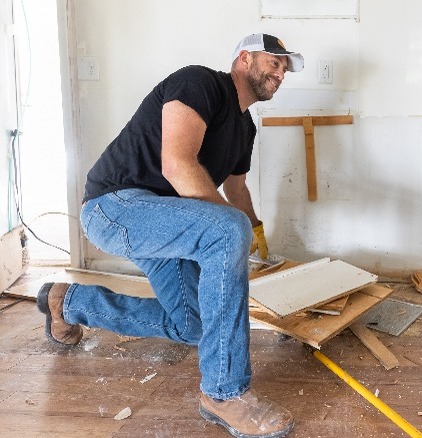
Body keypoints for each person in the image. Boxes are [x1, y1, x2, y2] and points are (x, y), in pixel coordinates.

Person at [35, 33, 304, 438]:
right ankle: (224, 392)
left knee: (196, 325)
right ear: (244, 58)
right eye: (274, 61)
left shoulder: (245, 128)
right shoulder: (200, 83)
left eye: (286, 68)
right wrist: (235, 233)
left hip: (168, 222)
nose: (280, 72)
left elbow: (237, 189)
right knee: (229, 228)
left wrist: (259, 240)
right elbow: (177, 165)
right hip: (116, 206)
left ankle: (68, 301)